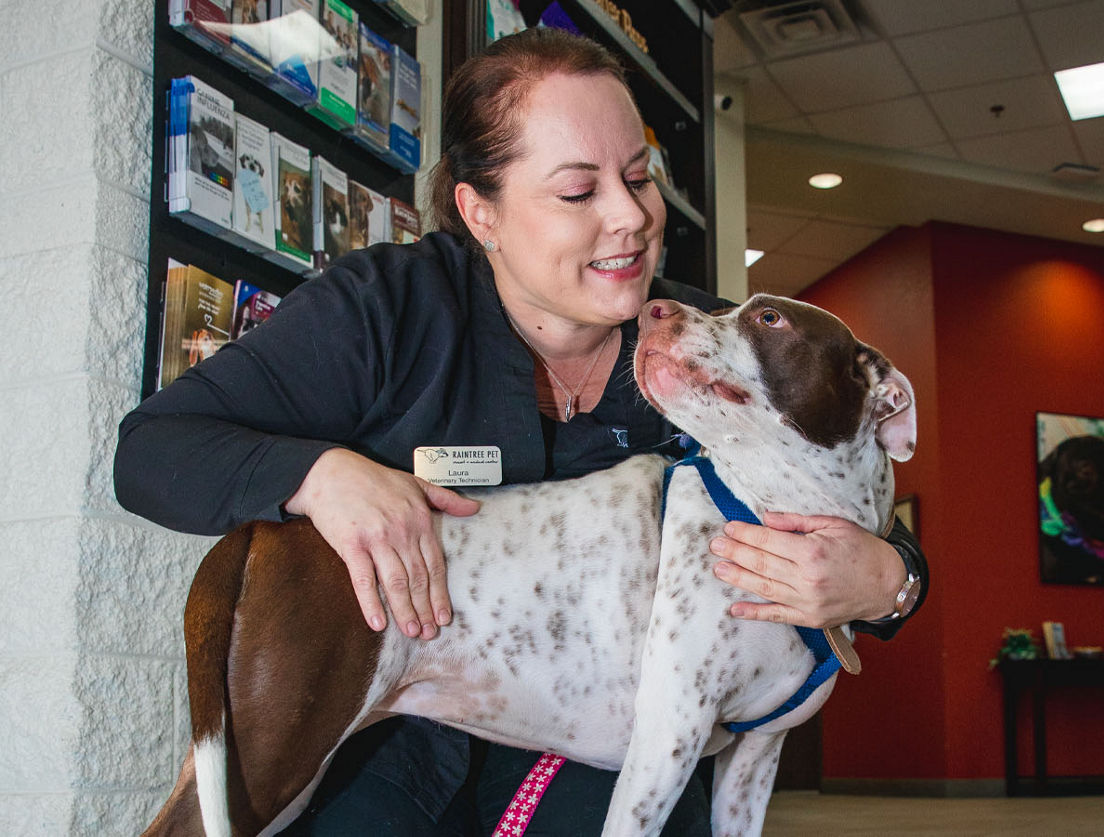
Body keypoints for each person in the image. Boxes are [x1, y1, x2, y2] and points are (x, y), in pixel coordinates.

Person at [115, 27, 928, 836]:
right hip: (394, 717)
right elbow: (152, 450)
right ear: (482, 212)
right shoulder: (386, 310)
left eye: (638, 178)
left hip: (593, 733)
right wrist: (320, 473)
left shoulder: (694, 347)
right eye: (579, 192)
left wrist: (891, 577)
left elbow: (835, 489)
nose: (632, 218)